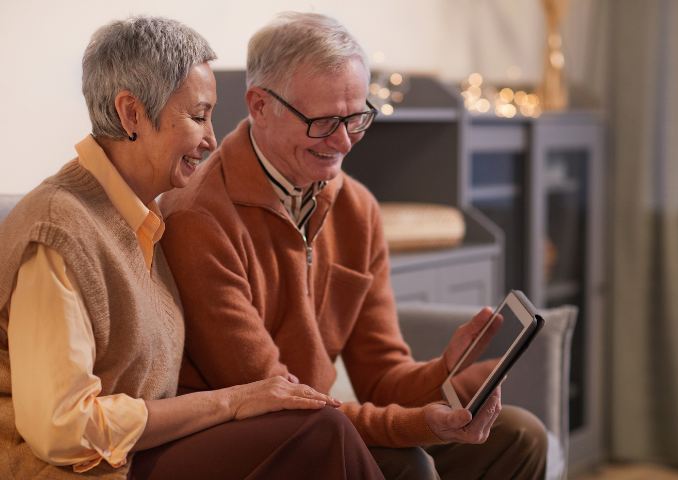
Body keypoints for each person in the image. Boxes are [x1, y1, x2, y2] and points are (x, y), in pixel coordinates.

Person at [160, 11, 548, 479]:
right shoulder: (199, 218)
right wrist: (420, 423)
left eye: (357, 118)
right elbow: (280, 402)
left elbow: (381, 377)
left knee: (520, 438)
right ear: (260, 106)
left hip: (320, 420)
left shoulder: (357, 209)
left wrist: (447, 370)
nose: (344, 142)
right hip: (247, 439)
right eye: (324, 122)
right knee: (406, 463)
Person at [0, 16, 383, 480]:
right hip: (76, 469)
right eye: (198, 116)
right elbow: (62, 428)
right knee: (321, 432)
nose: (211, 139)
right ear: (132, 114)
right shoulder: (59, 230)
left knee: (357, 447)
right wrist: (230, 402)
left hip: (141, 451)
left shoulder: (141, 218)